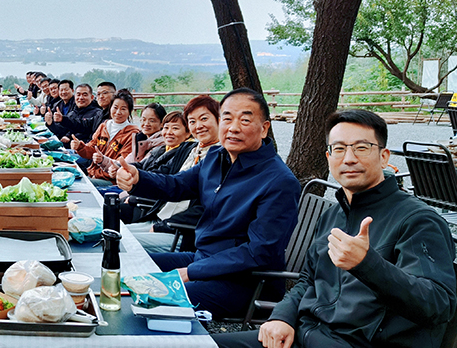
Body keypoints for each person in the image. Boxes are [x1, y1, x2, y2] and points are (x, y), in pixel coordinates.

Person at [213, 109, 457, 348]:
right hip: (305, 347)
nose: (349, 158)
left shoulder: (418, 221)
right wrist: (283, 316)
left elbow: (438, 303)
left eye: (361, 147)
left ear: (384, 156)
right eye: (339, 148)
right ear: (329, 157)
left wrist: (367, 265)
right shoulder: (334, 214)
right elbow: (307, 279)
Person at [116, 88, 300, 317]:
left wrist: (191, 272)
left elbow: (259, 252)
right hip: (203, 258)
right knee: (128, 264)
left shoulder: (279, 182)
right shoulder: (216, 157)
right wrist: (138, 178)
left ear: (264, 128)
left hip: (244, 281)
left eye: (244, 120)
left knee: (151, 297)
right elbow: (177, 185)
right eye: (227, 118)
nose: (233, 128)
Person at [131, 95, 221, 251]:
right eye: (192, 121)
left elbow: (208, 208)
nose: (198, 126)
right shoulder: (187, 150)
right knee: (108, 233)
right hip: (158, 219)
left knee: (117, 243)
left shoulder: (222, 158)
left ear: (219, 120)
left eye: (204, 119)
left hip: (181, 231)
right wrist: (136, 178)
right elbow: (169, 181)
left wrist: (164, 225)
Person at [72, 89, 141, 187]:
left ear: (130, 111)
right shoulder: (104, 126)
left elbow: (123, 162)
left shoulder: (132, 133)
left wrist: (102, 160)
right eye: (115, 107)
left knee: (79, 184)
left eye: (123, 109)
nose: (118, 112)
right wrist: (80, 147)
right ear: (110, 107)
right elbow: (92, 149)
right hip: (94, 174)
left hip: (111, 180)